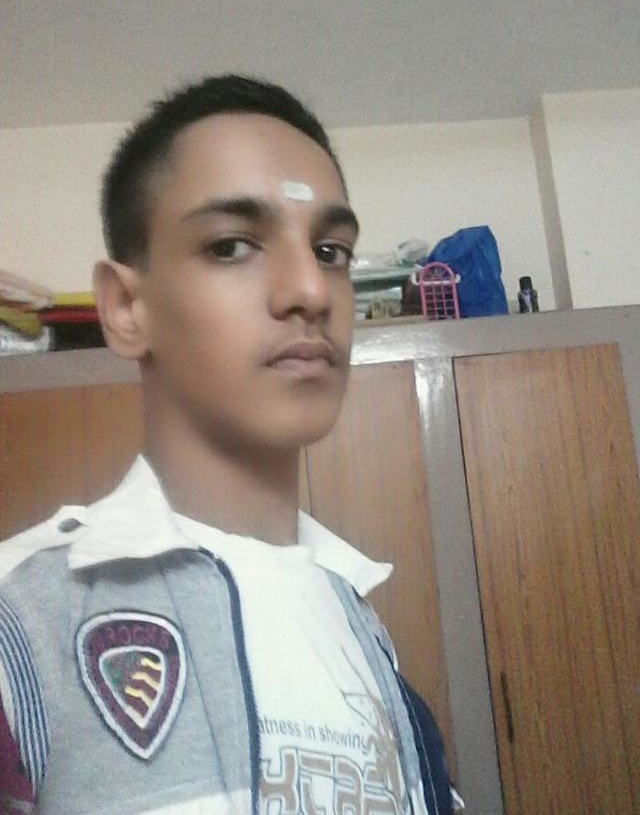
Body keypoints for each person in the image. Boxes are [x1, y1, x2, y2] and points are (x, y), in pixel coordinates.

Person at [0, 75, 455, 814]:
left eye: (331, 250)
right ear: (126, 307)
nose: (311, 290)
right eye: (232, 245)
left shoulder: (364, 629)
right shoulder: (23, 622)